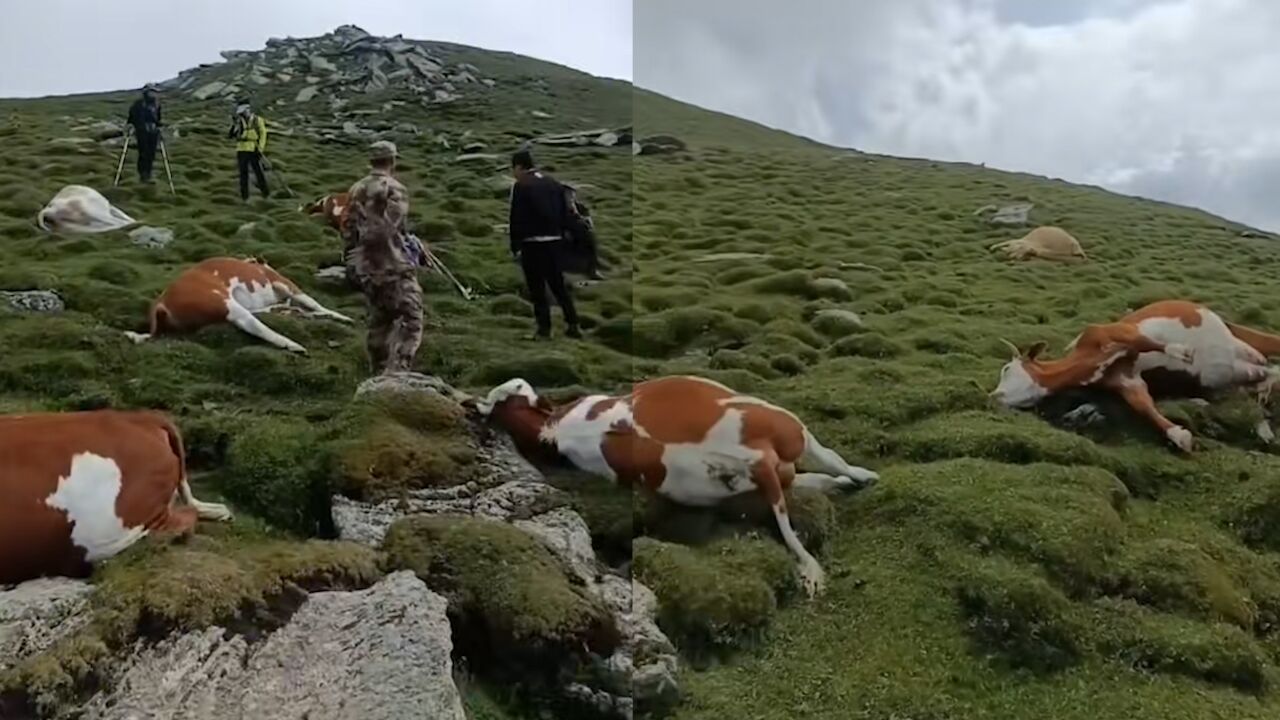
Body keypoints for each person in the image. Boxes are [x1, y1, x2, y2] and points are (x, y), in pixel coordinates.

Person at [343, 141, 423, 375]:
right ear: (393, 161)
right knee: (412, 317)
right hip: (392, 264)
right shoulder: (394, 188)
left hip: (365, 266)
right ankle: (399, 370)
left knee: (379, 320)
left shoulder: (355, 188)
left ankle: (376, 371)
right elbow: (393, 227)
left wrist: (352, 260)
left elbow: (348, 228)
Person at [508, 149, 581, 340]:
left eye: (513, 169)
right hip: (555, 242)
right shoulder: (553, 183)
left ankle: (544, 330)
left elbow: (516, 218)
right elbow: (565, 212)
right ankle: (573, 324)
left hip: (533, 244)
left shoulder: (521, 185)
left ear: (519, 166)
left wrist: (515, 245)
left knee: (537, 289)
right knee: (559, 286)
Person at [228, 102, 270, 202]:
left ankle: (266, 194)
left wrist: (260, 148)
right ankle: (245, 197)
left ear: (248, 110)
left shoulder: (257, 120)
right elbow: (231, 135)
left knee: (258, 172)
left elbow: (263, 134)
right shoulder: (239, 121)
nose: (242, 114)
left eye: (243, 112)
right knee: (243, 174)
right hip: (241, 149)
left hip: (254, 148)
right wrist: (234, 125)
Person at [125, 84, 163, 183]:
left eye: (155, 92)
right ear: (146, 92)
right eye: (152, 92)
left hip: (153, 131)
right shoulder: (138, 104)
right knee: (144, 152)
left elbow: (158, 118)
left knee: (151, 153)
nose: (154, 94)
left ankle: (149, 173)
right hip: (142, 130)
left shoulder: (156, 105)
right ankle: (143, 174)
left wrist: (159, 126)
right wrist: (131, 125)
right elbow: (131, 117)